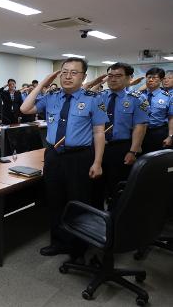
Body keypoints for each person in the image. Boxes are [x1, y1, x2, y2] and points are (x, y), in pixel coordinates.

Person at [20, 57, 107, 258]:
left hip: (80, 157)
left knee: (78, 201)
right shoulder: (52, 96)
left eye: (74, 72)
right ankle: (58, 242)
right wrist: (42, 83)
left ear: (83, 76)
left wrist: (98, 161)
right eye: (64, 72)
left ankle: (78, 246)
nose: (68, 76)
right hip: (54, 156)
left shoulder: (93, 99)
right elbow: (25, 109)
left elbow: (99, 133)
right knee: (54, 200)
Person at [93, 63, 148, 209]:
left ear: (129, 78)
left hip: (120, 148)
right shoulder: (100, 97)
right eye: (110, 76)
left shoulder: (137, 98)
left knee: (117, 187)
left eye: (118, 76)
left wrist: (133, 151)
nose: (113, 79)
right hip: (97, 148)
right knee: (95, 185)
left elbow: (140, 126)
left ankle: (115, 219)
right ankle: (96, 218)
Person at [141, 67, 173, 153]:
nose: (150, 80)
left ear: (161, 80)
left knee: (157, 160)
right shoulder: (139, 95)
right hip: (138, 131)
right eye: (148, 77)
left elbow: (171, 118)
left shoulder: (168, 97)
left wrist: (170, 136)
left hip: (158, 132)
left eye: (154, 78)